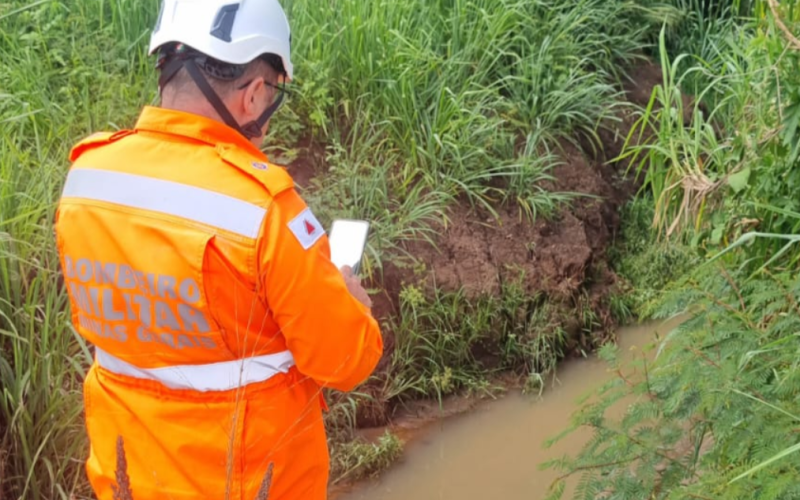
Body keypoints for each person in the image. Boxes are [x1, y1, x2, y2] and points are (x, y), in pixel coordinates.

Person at [53, 1, 383, 499]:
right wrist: (351, 302)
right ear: (254, 95)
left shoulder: (87, 178)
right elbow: (345, 361)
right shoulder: (265, 210)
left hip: (127, 482)